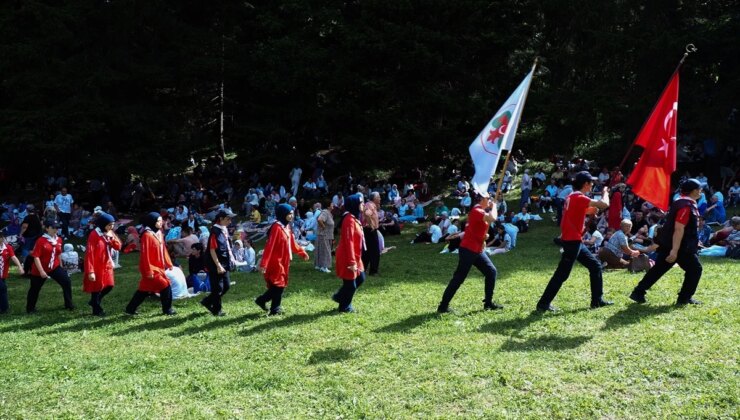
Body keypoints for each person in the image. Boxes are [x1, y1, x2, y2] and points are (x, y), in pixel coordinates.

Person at [536, 171, 612, 312]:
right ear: (585, 184)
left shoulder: (571, 196)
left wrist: (591, 211)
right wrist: (605, 192)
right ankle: (543, 304)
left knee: (595, 266)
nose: (592, 186)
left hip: (574, 240)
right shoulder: (579, 197)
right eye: (591, 183)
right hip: (572, 241)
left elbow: (581, 211)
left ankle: (597, 300)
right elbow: (604, 204)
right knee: (562, 274)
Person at [630, 179, 705, 305]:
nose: (701, 191)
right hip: (680, 246)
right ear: (693, 191)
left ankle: (638, 292)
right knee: (695, 269)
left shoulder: (683, 202)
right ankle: (684, 298)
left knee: (659, 268)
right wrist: (674, 251)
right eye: (699, 189)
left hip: (673, 244)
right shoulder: (686, 206)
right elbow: (678, 229)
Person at [437, 190, 502, 313]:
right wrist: (495, 207)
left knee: (491, 272)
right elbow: (493, 218)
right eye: (488, 199)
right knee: (459, 278)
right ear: (482, 200)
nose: (490, 201)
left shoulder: (479, 211)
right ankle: (443, 306)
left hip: (477, 250)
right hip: (468, 250)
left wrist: (483, 236)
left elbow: (473, 229)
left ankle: (488, 303)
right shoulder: (477, 211)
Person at [255, 204, 309, 315]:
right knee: (278, 285)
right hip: (276, 261)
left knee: (280, 285)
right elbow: (269, 246)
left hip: (284, 260)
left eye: (292, 213)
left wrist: (302, 252)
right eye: (290, 214)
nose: (292, 216)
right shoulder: (276, 227)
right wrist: (264, 264)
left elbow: (292, 243)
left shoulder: (287, 226)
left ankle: (271, 305)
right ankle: (269, 304)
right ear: (283, 214)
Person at [125, 213, 176, 316]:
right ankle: (167, 309)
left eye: (161, 220)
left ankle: (130, 309)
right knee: (165, 285)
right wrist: (149, 270)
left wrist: (168, 263)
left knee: (144, 290)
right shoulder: (147, 235)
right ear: (152, 222)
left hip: (158, 266)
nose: (161, 222)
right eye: (159, 221)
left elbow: (163, 249)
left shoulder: (159, 233)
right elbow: (145, 254)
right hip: (151, 267)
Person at [26, 219, 75, 313]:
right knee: (34, 289)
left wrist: (60, 266)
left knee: (66, 282)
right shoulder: (41, 241)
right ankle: (30, 308)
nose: (56, 230)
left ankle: (69, 304)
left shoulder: (59, 239)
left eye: (57, 228)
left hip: (54, 267)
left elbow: (58, 254)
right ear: (47, 228)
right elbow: (36, 257)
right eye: (53, 228)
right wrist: (41, 271)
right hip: (39, 269)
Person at [82, 212, 121, 316]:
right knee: (97, 288)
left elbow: (118, 246)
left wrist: (112, 239)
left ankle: (94, 301)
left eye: (112, 224)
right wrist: (90, 271)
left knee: (109, 285)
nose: (111, 227)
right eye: (109, 225)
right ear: (103, 224)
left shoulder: (110, 233)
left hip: (107, 264)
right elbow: (89, 253)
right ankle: (96, 309)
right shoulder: (94, 235)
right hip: (97, 265)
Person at [332, 194, 366, 313]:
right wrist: (351, 262)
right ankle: (344, 307)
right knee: (350, 284)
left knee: (360, 278)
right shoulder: (348, 220)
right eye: (361, 202)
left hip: (355, 256)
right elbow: (348, 241)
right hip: (347, 256)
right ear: (354, 204)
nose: (363, 205)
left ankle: (340, 296)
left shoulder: (354, 218)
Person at [200, 209, 236, 316]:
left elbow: (227, 246)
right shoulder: (215, 231)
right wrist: (218, 265)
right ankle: (217, 310)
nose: (230, 221)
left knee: (226, 286)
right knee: (218, 288)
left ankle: (207, 301)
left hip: (225, 262)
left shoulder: (224, 229)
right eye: (228, 219)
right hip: (216, 264)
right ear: (221, 219)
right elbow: (212, 250)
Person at [0, 230, 24, 313]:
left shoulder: (7, 247)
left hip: (3, 274)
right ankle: (5, 308)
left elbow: (13, 257)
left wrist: (20, 267)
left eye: (1, 237)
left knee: (2, 289)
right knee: (2, 288)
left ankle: (4, 308)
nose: (1, 239)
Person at [361, 191, 381, 276]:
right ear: (374, 198)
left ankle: (363, 269)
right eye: (379, 197)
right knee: (374, 251)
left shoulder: (372, 205)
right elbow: (366, 214)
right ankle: (373, 271)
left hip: (369, 230)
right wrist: (372, 225)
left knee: (367, 251)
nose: (380, 198)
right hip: (370, 230)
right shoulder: (370, 205)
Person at [315, 202, 335, 273]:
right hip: (324, 235)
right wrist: (324, 227)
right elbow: (320, 219)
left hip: (327, 235)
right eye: (332, 204)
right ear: (328, 206)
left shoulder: (329, 213)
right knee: (326, 251)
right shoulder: (325, 212)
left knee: (323, 250)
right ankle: (324, 267)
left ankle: (319, 265)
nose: (333, 205)